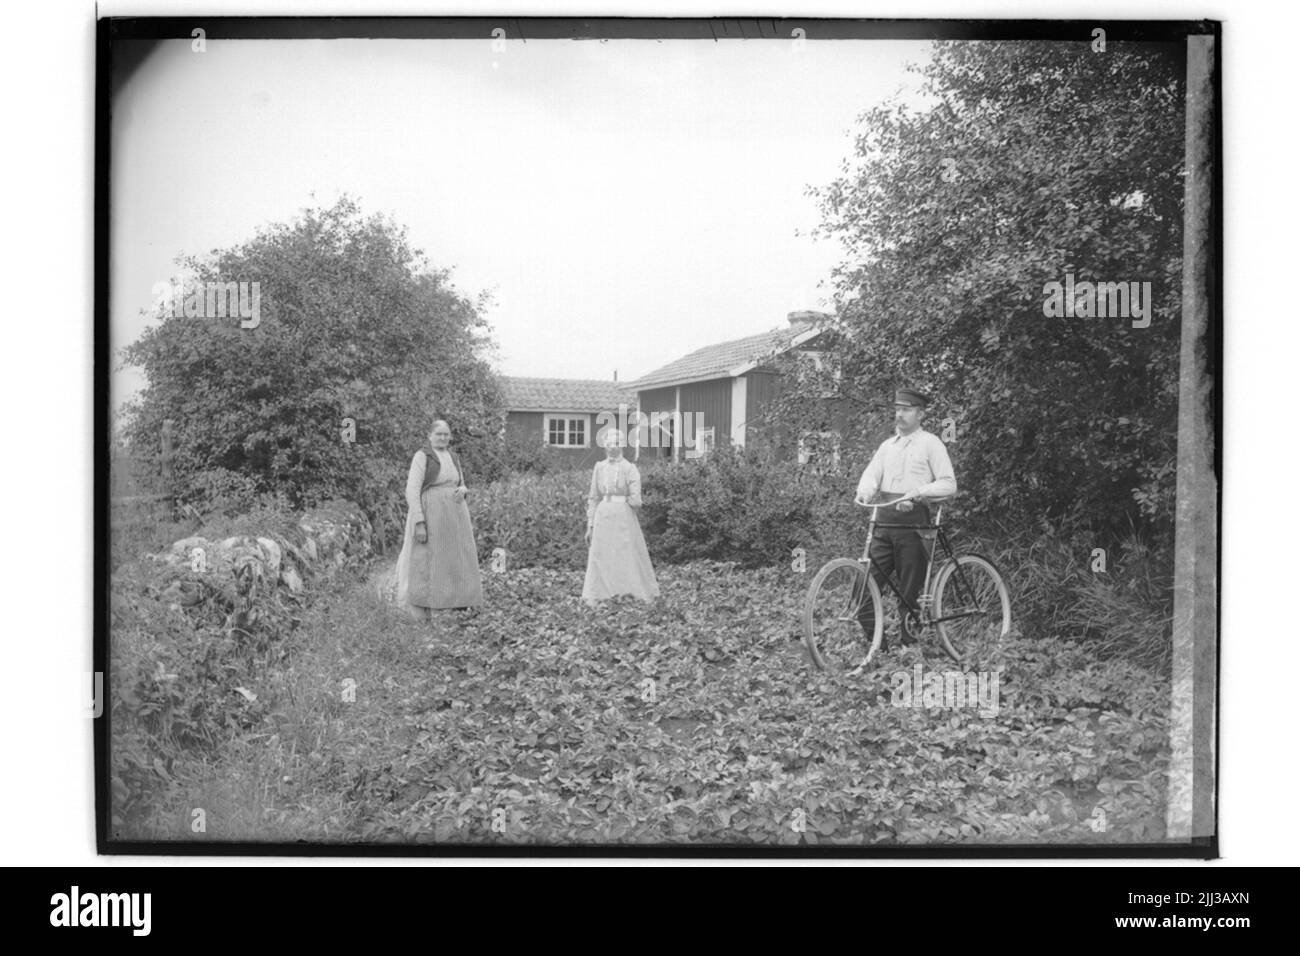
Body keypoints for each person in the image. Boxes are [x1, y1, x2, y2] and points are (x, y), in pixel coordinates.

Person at [853, 388, 957, 650]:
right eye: (898, 409)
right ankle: (879, 646)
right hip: (883, 522)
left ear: (921, 414)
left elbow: (948, 484)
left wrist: (919, 492)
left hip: (914, 525)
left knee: (909, 593)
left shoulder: (931, 443)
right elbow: (871, 475)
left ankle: (908, 647)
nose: (900, 415)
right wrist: (864, 492)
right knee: (863, 587)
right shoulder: (887, 446)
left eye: (907, 410)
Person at [395, 419, 484, 621]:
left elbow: (461, 482)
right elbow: (412, 490)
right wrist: (419, 521)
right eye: (439, 434)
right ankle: (428, 609)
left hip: (455, 517)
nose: (443, 438)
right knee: (430, 560)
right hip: (431, 514)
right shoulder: (422, 456)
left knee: (456, 559)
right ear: (430, 436)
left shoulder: (453, 456)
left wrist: (463, 489)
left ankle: (457, 605)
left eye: (446, 434)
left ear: (450, 437)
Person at [583, 427, 660, 605]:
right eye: (608, 443)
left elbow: (636, 500)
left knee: (624, 553)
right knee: (602, 554)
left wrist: (626, 500)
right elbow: (593, 497)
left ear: (622, 445)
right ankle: (600, 594)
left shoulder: (629, 468)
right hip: (603, 516)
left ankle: (627, 591)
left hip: (623, 516)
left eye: (616, 443)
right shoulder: (599, 468)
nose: (612, 447)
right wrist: (590, 524)